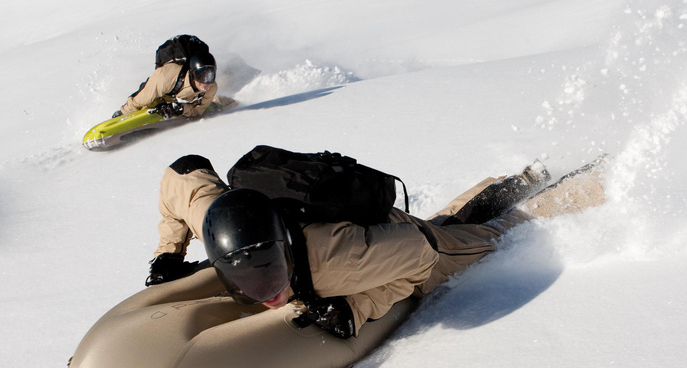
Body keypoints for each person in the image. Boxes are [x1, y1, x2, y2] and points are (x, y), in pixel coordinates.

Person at [145, 153, 608, 338]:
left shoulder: (335, 262)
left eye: (271, 275)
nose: (268, 295)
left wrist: (358, 306)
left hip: (406, 243)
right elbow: (183, 172)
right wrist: (169, 253)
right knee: (448, 221)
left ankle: (587, 183)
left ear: (286, 253)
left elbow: (420, 255)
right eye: (248, 281)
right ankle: (519, 179)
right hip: (365, 229)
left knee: (490, 236)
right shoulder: (217, 216)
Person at [112, 51, 218, 120]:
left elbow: (198, 111)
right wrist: (123, 114)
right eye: (201, 76)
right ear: (192, 74)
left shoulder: (211, 87)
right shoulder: (165, 78)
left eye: (210, 76)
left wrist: (181, 109)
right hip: (159, 85)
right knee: (146, 102)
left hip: (172, 95)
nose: (206, 82)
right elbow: (141, 99)